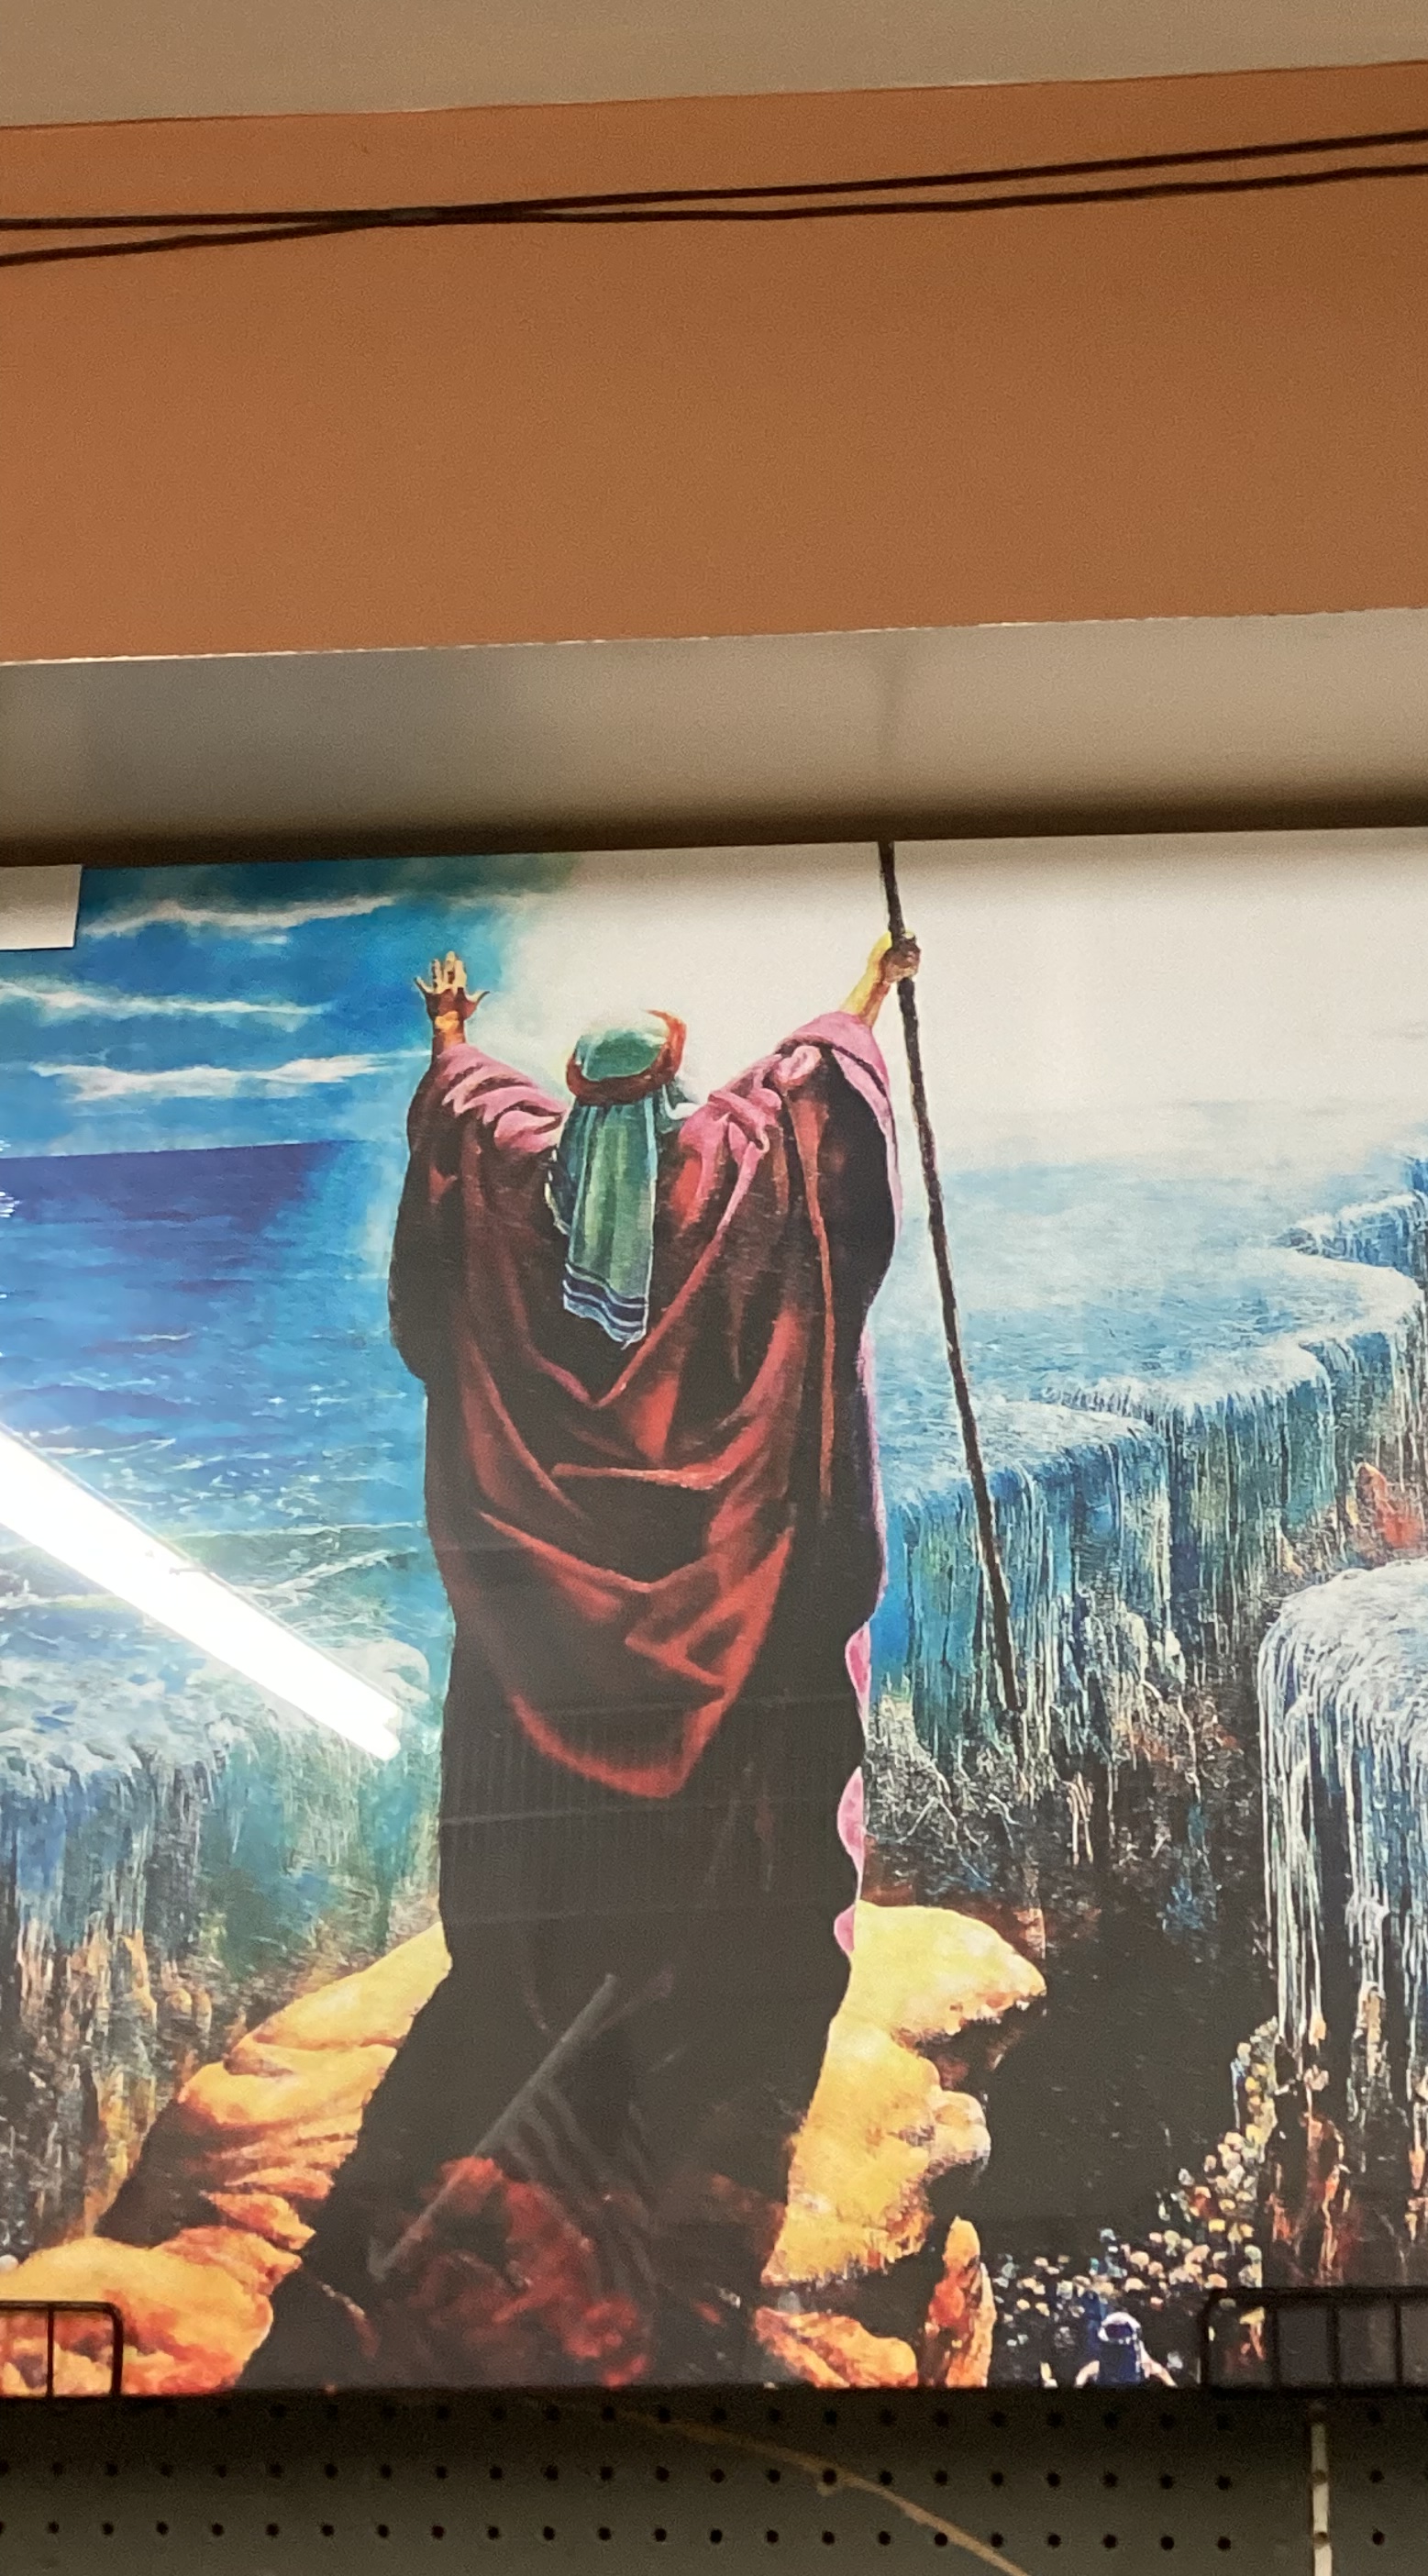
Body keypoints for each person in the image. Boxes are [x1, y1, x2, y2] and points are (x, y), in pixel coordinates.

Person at [246, 928, 918, 2385]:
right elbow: (804, 1089)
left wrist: (446, 1023)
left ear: (579, 1100)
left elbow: (470, 1112)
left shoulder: (519, 1186)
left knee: (558, 1799)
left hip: (544, 1635)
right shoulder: (727, 1167)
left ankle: (564, 1978)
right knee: (722, 1789)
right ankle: (696, 1985)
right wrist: (871, 991)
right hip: (723, 1613)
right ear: (670, 1095)